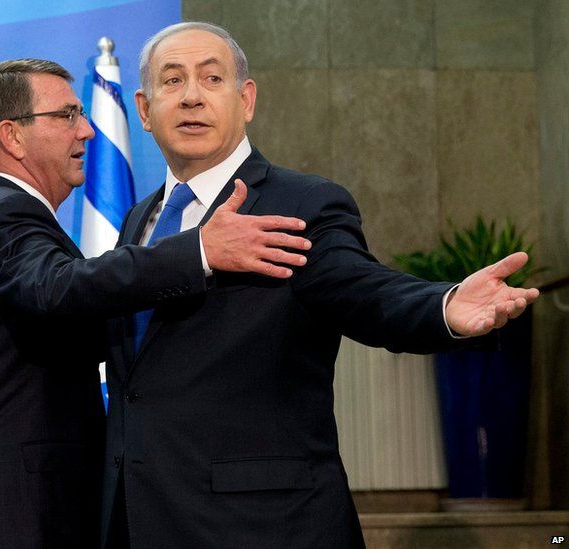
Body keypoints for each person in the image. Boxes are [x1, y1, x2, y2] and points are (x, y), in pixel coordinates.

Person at [101, 22, 540, 549]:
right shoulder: (137, 220)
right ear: (145, 111)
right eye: (172, 82)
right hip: (143, 520)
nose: (192, 96)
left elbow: (362, 291)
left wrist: (443, 306)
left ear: (246, 100)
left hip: (262, 525)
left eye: (211, 78)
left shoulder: (302, 202)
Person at [0, 58, 312, 549]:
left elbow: (70, 327)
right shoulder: (3, 217)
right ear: (12, 136)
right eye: (67, 115)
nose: (88, 130)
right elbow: (60, 288)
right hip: (6, 514)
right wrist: (201, 249)